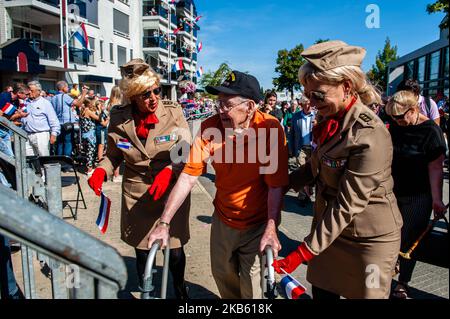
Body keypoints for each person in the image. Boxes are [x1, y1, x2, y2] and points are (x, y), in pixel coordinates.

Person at [273, 40, 403, 299]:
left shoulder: (369, 133)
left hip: (368, 240)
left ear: (346, 87)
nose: (310, 102)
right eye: (308, 95)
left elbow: (347, 203)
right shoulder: (329, 118)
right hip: (329, 234)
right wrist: (279, 184)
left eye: (318, 95)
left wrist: (302, 252)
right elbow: (314, 167)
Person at [147, 70, 289, 299]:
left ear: (250, 106)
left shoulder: (270, 129)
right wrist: (164, 222)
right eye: (218, 103)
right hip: (223, 220)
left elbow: (275, 186)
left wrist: (272, 228)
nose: (220, 110)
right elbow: (189, 176)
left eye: (227, 104)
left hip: (257, 223)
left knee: (252, 289)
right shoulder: (210, 127)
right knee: (223, 278)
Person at [86, 59, 192, 299]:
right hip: (137, 194)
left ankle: (180, 291)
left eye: (156, 91)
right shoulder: (118, 117)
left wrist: (170, 171)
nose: (153, 97)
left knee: (174, 252)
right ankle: (147, 292)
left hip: (170, 190)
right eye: (145, 94)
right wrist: (102, 170)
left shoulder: (173, 112)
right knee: (143, 251)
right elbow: (113, 155)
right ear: (133, 96)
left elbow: (186, 150)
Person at [385, 90, 447, 299]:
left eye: (400, 117)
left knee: (409, 240)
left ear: (414, 110)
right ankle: (383, 274)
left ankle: (403, 282)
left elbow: (436, 168)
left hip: (418, 196)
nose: (396, 121)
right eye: (393, 117)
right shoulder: (395, 124)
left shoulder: (431, 131)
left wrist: (437, 199)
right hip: (392, 191)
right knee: (387, 235)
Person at [21, 81, 60, 156]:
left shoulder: (45, 103)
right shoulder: (25, 102)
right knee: (29, 159)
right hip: (27, 134)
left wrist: (54, 134)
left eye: (31, 90)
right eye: (28, 90)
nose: (29, 92)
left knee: (43, 158)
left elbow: (53, 120)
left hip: (41, 135)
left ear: (38, 91)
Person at [51, 81, 87, 159]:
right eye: (67, 87)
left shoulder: (53, 97)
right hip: (67, 124)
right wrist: (84, 93)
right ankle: (67, 164)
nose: (68, 88)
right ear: (63, 88)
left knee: (60, 144)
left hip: (58, 123)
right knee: (68, 143)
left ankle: (60, 162)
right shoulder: (65, 96)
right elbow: (78, 103)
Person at [291, 96, 315, 206]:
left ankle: (309, 192)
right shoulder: (296, 116)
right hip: (301, 148)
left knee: (311, 172)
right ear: (302, 105)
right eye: (306, 104)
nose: (308, 106)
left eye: (310, 104)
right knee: (302, 171)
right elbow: (292, 134)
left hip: (313, 149)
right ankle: (302, 196)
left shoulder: (317, 116)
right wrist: (292, 149)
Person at [107, 86, 124, 182]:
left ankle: (113, 174)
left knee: (113, 151)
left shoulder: (109, 104)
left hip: (110, 129)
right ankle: (116, 175)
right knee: (120, 152)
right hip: (119, 131)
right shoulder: (119, 105)